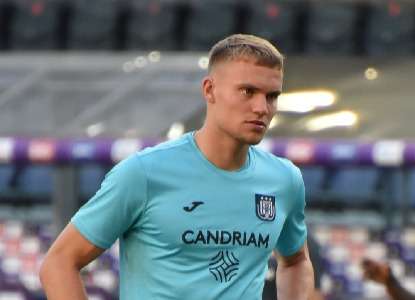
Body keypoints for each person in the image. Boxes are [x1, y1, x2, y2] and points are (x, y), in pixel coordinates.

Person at [39, 34, 314, 300]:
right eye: (247, 91)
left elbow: (296, 261)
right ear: (209, 90)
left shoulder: (283, 179)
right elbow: (59, 263)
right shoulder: (144, 173)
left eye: (272, 96)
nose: (261, 108)